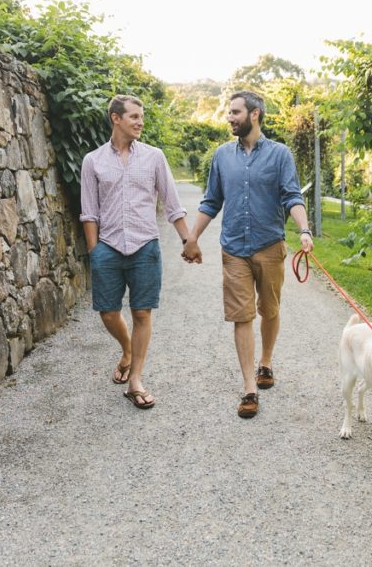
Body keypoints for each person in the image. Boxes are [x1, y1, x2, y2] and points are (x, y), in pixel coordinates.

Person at [183, 91, 313, 419]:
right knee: (242, 316)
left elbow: (291, 195)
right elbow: (212, 201)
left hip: (270, 246)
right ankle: (248, 387)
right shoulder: (222, 156)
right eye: (229, 112)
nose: (229, 117)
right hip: (234, 249)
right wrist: (192, 237)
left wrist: (304, 230)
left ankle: (265, 363)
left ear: (254, 114)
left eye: (235, 112)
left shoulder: (280, 154)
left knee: (269, 310)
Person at [80, 94, 191, 409]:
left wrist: (187, 240)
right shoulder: (93, 161)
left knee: (142, 312)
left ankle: (136, 380)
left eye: (141, 117)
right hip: (108, 248)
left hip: (145, 246)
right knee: (108, 311)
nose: (140, 122)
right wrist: (95, 251)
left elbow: (172, 203)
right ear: (116, 118)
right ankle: (127, 350)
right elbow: (89, 212)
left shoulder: (154, 157)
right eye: (134, 117)